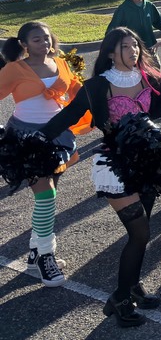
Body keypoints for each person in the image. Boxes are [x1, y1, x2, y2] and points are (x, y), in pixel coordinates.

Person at [41, 27, 161, 326]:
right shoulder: (97, 86)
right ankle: (120, 298)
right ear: (111, 52)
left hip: (146, 164)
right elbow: (67, 116)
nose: (133, 50)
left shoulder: (148, 77)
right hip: (114, 166)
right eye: (125, 46)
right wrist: (34, 138)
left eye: (135, 45)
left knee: (143, 230)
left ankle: (133, 286)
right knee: (140, 233)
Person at [0, 22, 81, 287]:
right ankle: (47, 256)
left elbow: (77, 92)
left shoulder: (61, 63)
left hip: (58, 135)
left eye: (46, 38)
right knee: (46, 196)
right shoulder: (15, 69)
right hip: (27, 138)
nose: (44, 43)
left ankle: (36, 250)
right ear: (24, 44)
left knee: (49, 194)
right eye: (37, 40)